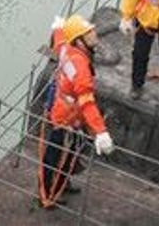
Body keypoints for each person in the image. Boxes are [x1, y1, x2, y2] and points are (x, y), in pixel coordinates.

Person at [38, 14, 114, 209]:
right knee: (58, 157)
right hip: (67, 119)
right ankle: (48, 196)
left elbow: (60, 40)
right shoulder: (80, 67)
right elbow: (87, 101)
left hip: (65, 113)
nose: (94, 35)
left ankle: (60, 185)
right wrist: (100, 131)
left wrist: (58, 28)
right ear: (80, 41)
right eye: (88, 33)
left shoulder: (67, 49)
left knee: (66, 155)